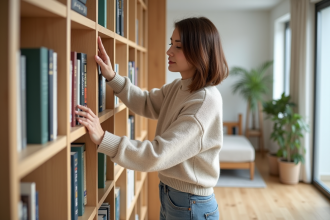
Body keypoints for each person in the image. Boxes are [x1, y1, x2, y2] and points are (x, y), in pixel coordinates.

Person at [76, 17, 228, 220]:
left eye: (178, 46)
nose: (169, 52)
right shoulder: (180, 86)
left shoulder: (204, 102)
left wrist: (104, 139)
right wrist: (112, 77)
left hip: (190, 203)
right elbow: (146, 102)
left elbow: (159, 153)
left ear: (200, 52)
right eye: (170, 44)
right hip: (173, 196)